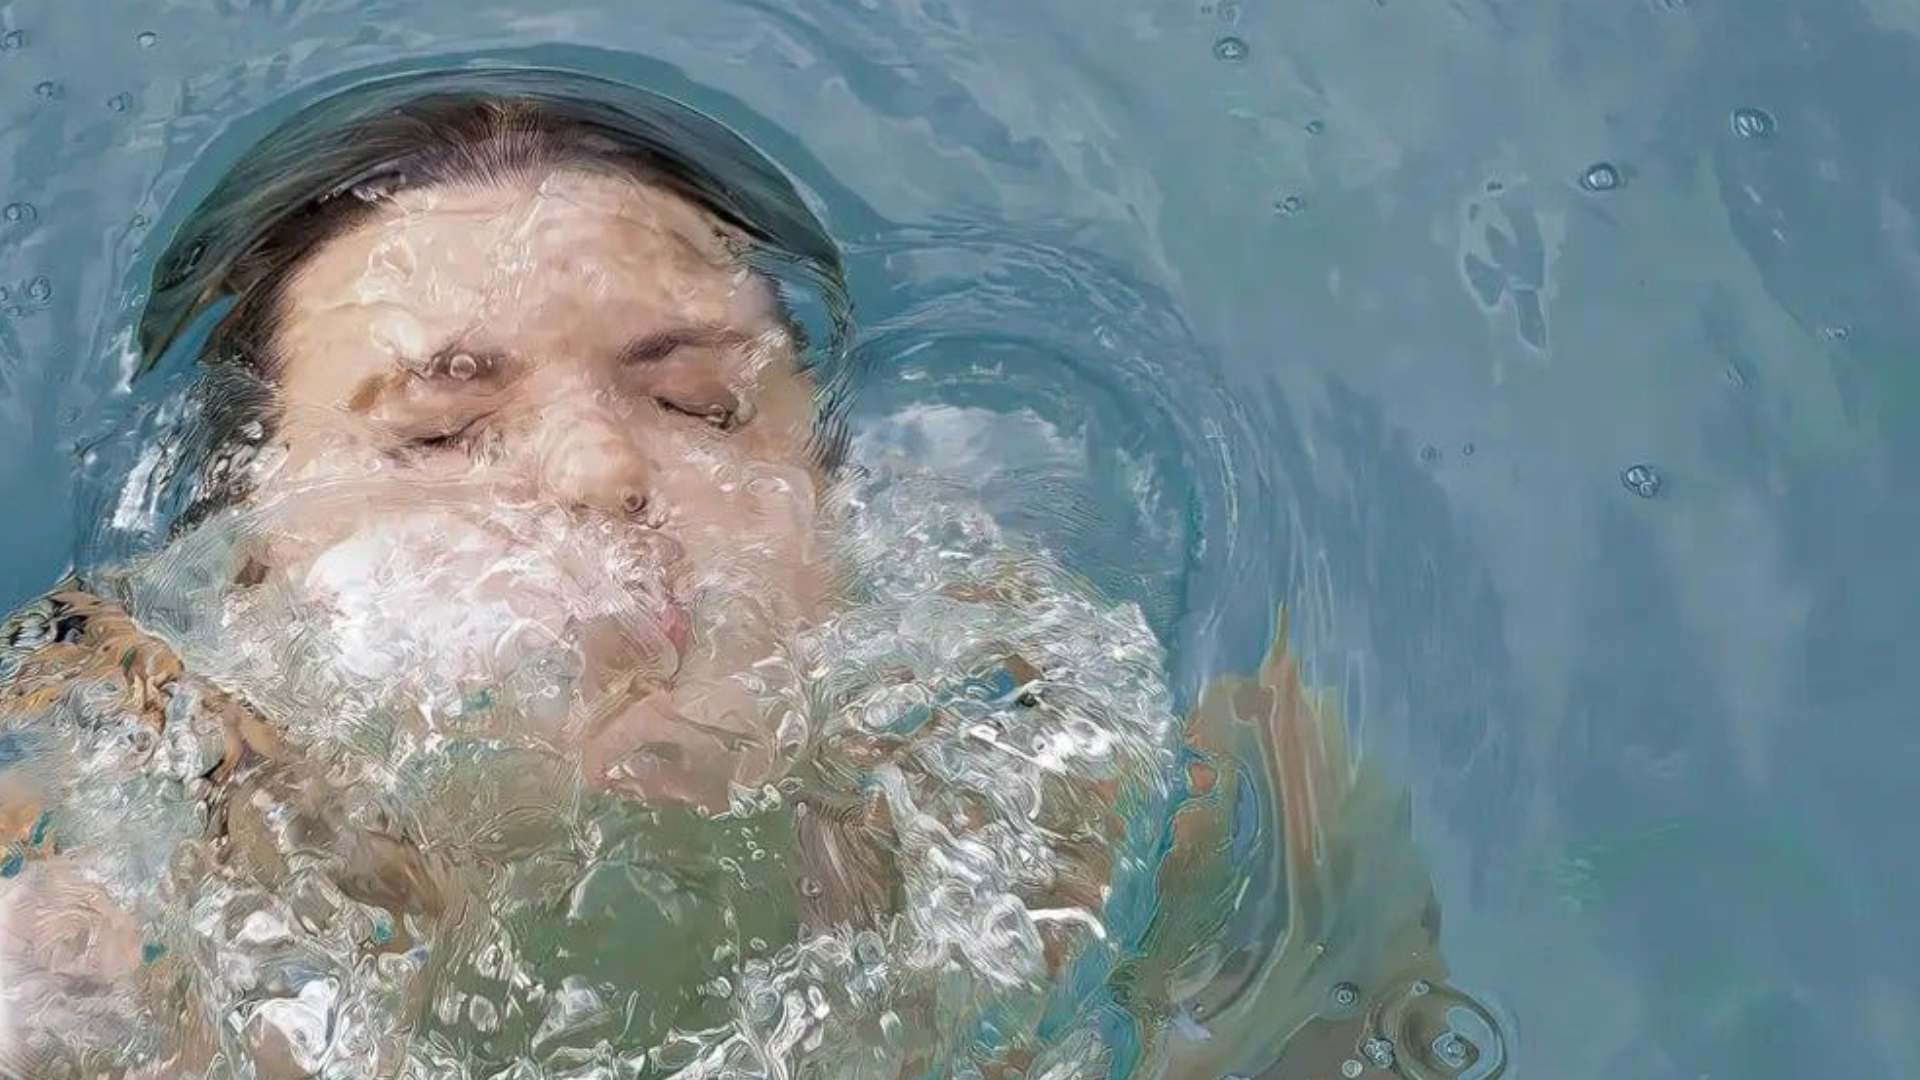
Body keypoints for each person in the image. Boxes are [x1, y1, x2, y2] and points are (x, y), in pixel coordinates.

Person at [0, 69, 1503, 1080]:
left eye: (703, 403)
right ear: (235, 562)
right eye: (445, 432)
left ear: (838, 493)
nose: (599, 476)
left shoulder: (1187, 813)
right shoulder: (77, 941)